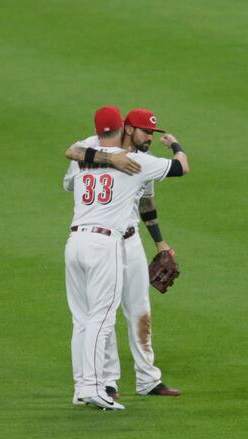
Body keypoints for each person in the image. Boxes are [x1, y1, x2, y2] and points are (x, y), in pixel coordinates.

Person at [63, 106, 189, 410]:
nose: (149, 136)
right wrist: (174, 145)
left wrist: (159, 242)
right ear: (124, 128)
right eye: (145, 131)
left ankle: (89, 385)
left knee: (87, 317)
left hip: (78, 239)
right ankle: (98, 384)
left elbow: (71, 163)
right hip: (106, 241)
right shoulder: (138, 161)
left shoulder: (86, 153)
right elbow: (181, 167)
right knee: (101, 317)